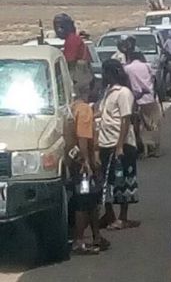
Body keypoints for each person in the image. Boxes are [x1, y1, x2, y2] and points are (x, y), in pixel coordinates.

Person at [97, 59, 140, 230]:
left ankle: (122, 217)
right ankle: (109, 214)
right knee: (107, 181)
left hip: (120, 143)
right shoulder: (107, 92)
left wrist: (120, 145)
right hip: (105, 142)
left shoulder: (123, 93)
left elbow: (125, 119)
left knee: (123, 181)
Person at [69, 81, 110, 255]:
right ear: (88, 90)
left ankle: (96, 236)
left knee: (91, 200)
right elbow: (83, 138)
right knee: (84, 201)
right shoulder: (84, 109)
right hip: (84, 166)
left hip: (75, 160)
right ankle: (79, 241)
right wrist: (87, 162)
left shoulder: (72, 108)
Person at [124, 51, 163, 158]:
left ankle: (145, 150)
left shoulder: (128, 68)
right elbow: (155, 79)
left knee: (141, 125)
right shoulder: (147, 66)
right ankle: (156, 148)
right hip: (150, 98)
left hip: (137, 100)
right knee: (154, 124)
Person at [54, 13, 94, 95]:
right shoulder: (72, 39)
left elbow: (69, 61)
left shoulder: (72, 40)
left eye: (60, 27)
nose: (58, 31)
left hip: (78, 82)